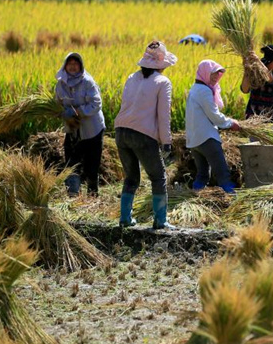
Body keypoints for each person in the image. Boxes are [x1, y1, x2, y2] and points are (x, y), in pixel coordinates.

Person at [114, 41, 175, 229]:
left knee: (131, 177)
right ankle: (161, 220)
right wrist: (166, 141)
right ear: (161, 65)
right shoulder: (163, 82)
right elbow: (164, 115)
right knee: (158, 177)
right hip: (142, 135)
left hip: (121, 131)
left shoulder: (132, 77)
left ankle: (125, 218)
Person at [55, 52, 105, 197]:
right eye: (69, 64)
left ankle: (92, 194)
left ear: (80, 66)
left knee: (92, 163)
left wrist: (77, 112)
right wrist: (63, 114)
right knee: (71, 162)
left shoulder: (87, 82)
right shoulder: (60, 84)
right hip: (72, 128)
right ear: (65, 66)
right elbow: (57, 103)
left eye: (75, 64)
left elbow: (96, 104)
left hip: (92, 129)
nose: (72, 66)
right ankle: (73, 195)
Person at [187, 60, 241, 193]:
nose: (216, 77)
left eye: (218, 74)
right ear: (205, 73)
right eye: (213, 73)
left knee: (202, 175)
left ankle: (194, 197)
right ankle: (233, 198)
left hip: (194, 140)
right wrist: (230, 123)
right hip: (207, 138)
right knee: (223, 174)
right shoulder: (204, 90)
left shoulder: (195, 88)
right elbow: (214, 115)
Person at [241, 44, 273, 119]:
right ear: (269, 60)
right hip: (252, 118)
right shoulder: (255, 72)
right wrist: (247, 69)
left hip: (271, 118)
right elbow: (245, 90)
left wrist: (257, 61)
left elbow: (270, 78)